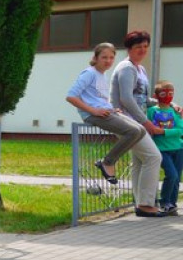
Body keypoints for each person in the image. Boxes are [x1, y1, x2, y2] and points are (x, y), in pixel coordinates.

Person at [66, 42, 145, 184]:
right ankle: (108, 162)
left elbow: (98, 97)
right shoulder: (89, 73)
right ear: (95, 58)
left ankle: (108, 161)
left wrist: (111, 108)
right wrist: (93, 111)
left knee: (141, 130)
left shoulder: (102, 74)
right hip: (94, 115)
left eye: (111, 58)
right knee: (133, 131)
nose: (108, 61)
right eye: (104, 57)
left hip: (106, 112)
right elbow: (71, 96)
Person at [110, 30, 165, 217]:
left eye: (145, 46)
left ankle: (140, 203)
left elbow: (141, 98)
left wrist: (168, 104)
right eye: (138, 47)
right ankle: (146, 204)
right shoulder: (127, 68)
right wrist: (146, 123)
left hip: (137, 123)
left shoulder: (140, 69)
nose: (142, 50)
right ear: (129, 48)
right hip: (128, 123)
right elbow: (126, 99)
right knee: (153, 157)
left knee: (141, 161)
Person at [147, 80, 183, 215]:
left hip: (178, 148)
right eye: (163, 93)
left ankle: (172, 204)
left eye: (170, 93)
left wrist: (162, 132)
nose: (167, 96)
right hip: (162, 149)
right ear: (156, 95)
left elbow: (181, 130)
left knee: (176, 178)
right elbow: (149, 127)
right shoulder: (151, 111)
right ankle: (164, 201)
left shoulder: (175, 111)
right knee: (171, 175)